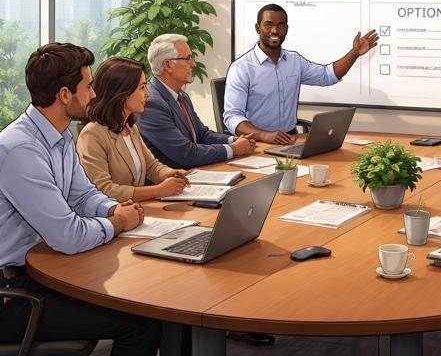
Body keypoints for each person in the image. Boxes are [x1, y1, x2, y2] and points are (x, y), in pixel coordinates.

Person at [0, 43, 161, 355]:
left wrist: (115, 207)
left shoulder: (58, 136)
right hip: (12, 294)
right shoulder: (21, 149)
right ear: (64, 95)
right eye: (88, 87)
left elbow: (84, 194)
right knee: (141, 323)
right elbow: (68, 236)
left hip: (43, 270)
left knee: (149, 295)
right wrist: (116, 223)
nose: (95, 95)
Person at [223, 3, 378, 144]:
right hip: (256, 142)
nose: (275, 30)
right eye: (268, 25)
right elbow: (232, 117)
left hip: (290, 139)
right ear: (258, 28)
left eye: (280, 25)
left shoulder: (294, 61)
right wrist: (264, 135)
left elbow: (327, 76)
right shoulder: (241, 68)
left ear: (287, 29)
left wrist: (355, 53)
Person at [77, 57, 189, 202]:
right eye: (142, 87)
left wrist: (169, 174)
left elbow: (151, 166)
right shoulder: (92, 135)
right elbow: (104, 190)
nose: (147, 94)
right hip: (113, 218)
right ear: (122, 93)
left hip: (138, 211)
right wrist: (157, 190)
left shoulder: (130, 127)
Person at [139, 34, 257, 169]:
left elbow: (202, 134)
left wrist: (232, 140)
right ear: (168, 64)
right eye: (188, 58)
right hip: (173, 181)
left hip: (196, 172)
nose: (193, 64)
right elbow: (186, 153)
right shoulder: (151, 103)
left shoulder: (182, 96)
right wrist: (233, 149)